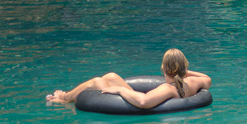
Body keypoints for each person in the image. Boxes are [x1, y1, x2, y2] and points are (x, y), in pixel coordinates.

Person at [45, 48, 212, 108]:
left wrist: (119, 89)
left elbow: (144, 102)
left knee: (97, 82)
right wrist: (183, 73)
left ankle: (65, 98)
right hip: (178, 75)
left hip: (138, 108)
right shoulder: (192, 82)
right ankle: (66, 97)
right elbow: (207, 78)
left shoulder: (168, 88)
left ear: (163, 69)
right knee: (110, 76)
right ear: (184, 68)